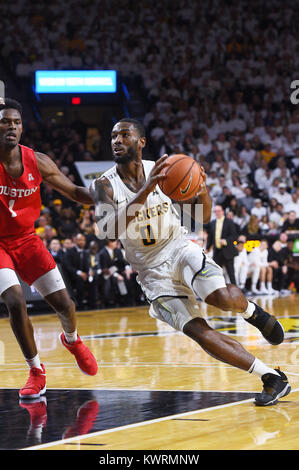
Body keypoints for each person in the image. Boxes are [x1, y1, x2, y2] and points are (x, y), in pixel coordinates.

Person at [90, 117, 290, 406]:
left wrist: (202, 190)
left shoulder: (166, 170)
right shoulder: (104, 184)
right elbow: (106, 230)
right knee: (199, 331)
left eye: (124, 135)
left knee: (221, 297)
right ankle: (272, 376)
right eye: (113, 136)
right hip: (151, 273)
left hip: (179, 247)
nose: (116, 141)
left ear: (141, 142)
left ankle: (252, 312)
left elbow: (202, 217)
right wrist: (146, 190)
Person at [0, 98, 97, 400]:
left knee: (66, 305)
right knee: (15, 301)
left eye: (16, 122)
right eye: (5, 121)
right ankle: (36, 371)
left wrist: (109, 197)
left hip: (28, 239)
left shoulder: (38, 161)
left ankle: (72, 340)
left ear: (22, 127)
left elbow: (75, 192)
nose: (11, 127)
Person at [206, 204, 238, 284]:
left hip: (227, 251)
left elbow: (234, 236)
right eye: (215, 211)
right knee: (216, 272)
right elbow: (210, 237)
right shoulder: (212, 223)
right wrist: (207, 248)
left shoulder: (229, 222)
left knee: (231, 273)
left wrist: (226, 241)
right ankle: (218, 291)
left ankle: (236, 292)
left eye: (219, 211)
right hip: (217, 251)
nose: (217, 213)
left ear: (223, 211)